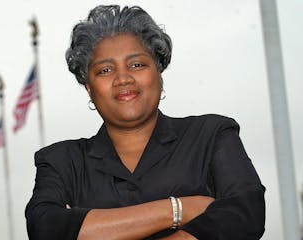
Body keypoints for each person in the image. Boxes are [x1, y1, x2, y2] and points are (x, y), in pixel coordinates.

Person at [25, 5, 265, 240]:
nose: (123, 78)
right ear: (89, 88)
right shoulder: (61, 162)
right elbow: (46, 228)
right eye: (105, 70)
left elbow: (245, 213)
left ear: (159, 73)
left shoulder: (211, 136)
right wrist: (178, 210)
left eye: (137, 64)